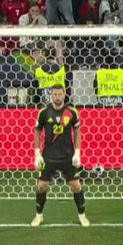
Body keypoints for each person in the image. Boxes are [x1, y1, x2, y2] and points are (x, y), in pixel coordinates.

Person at [32, 85, 88, 227]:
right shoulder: (44, 112)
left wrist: (77, 152)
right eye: (55, 94)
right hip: (48, 156)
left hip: (68, 156)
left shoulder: (72, 112)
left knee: (76, 186)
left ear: (64, 95)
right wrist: (37, 153)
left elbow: (77, 132)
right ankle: (39, 216)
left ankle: (82, 216)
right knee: (42, 186)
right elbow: (37, 131)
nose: (57, 97)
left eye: (59, 94)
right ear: (51, 95)